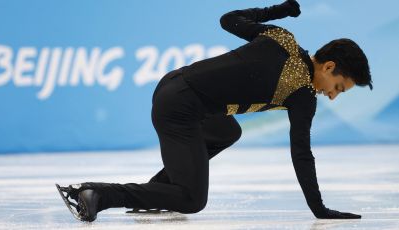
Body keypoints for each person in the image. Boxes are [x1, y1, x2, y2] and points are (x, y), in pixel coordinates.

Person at [56, 0, 372, 222]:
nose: (332, 96)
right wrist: (320, 209)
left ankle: (161, 189)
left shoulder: (282, 37)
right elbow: (301, 153)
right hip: (181, 108)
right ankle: (98, 195)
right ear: (329, 66)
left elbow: (229, 19)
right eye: (338, 87)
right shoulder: (302, 93)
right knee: (192, 200)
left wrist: (279, 10)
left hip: (173, 84)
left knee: (228, 130)